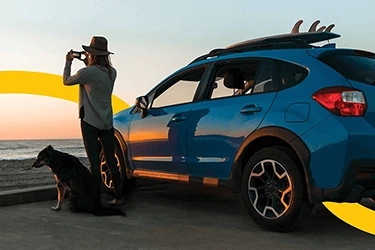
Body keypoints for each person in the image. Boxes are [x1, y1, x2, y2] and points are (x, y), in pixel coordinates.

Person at [62, 36, 123, 208]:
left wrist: (68, 62)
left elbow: (66, 81)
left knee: (94, 163)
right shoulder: (112, 73)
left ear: (92, 54)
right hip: (107, 122)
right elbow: (93, 76)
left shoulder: (86, 73)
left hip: (89, 122)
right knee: (111, 160)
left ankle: (96, 201)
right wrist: (87, 63)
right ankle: (119, 196)